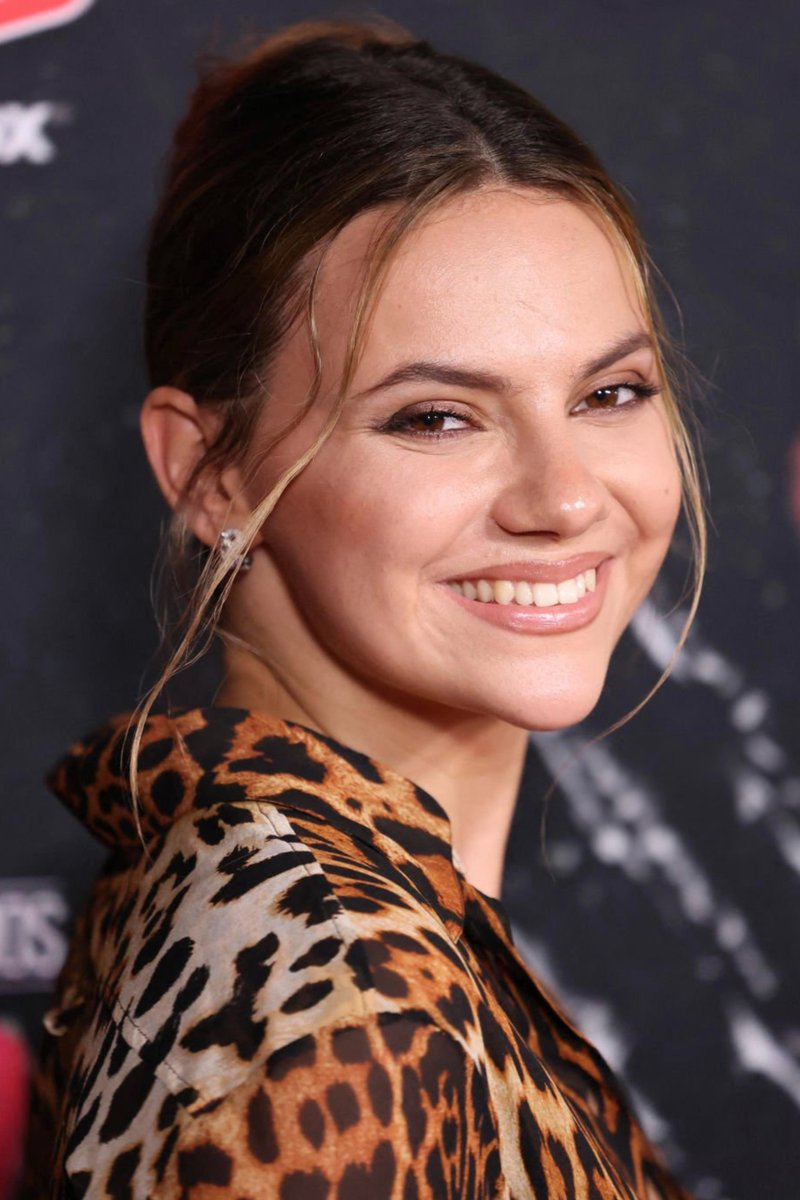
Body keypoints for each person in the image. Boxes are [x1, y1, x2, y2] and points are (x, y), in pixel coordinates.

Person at [26, 16, 706, 1199]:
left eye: (608, 392)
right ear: (206, 471)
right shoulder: (332, 1008)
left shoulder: (308, 910)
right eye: (435, 416)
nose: (562, 499)